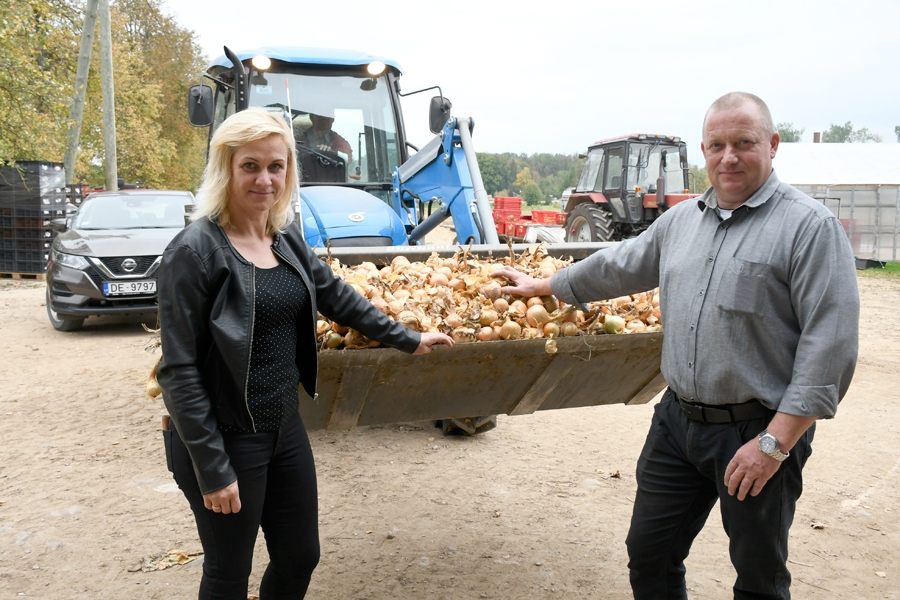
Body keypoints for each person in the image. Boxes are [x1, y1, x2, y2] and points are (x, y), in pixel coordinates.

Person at [494, 92, 859, 599]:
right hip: (677, 424)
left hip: (757, 431)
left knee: (758, 577)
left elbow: (830, 347)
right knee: (650, 557)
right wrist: (547, 286)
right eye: (716, 145)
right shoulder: (681, 222)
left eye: (744, 143)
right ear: (703, 153)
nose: (728, 157)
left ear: (773, 146)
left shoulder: (808, 228)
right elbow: (619, 264)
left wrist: (774, 445)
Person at [155, 107, 453, 599]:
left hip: (283, 427)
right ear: (225, 168)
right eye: (250, 165)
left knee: (299, 556)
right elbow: (179, 370)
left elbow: (335, 295)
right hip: (224, 437)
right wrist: (212, 468)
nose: (265, 179)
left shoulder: (284, 234)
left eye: (276, 166)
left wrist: (408, 338)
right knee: (228, 571)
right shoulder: (194, 251)